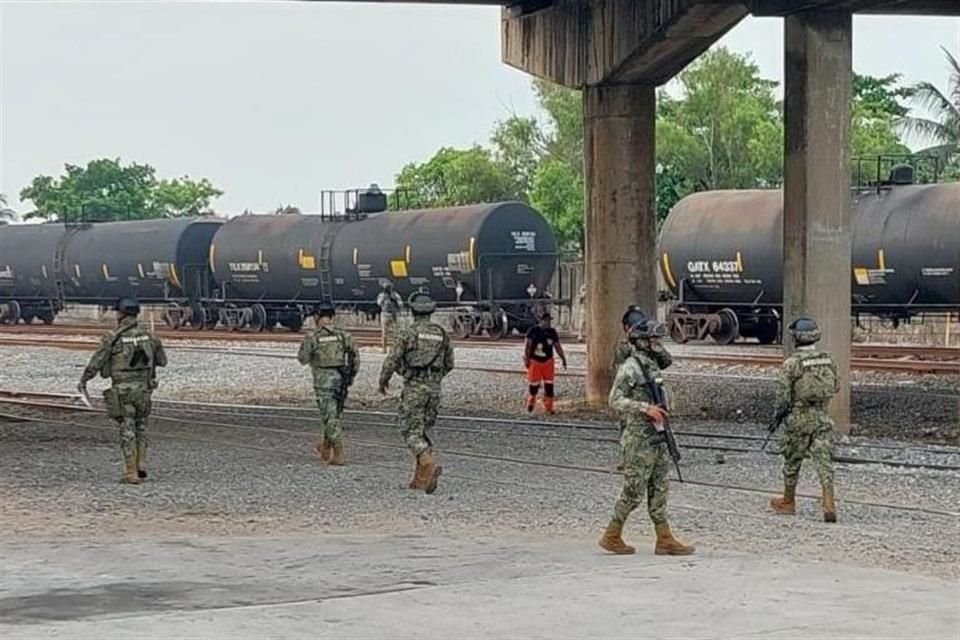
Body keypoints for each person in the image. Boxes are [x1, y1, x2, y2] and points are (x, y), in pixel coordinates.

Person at [599, 318, 694, 556]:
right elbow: (615, 400)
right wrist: (645, 408)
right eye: (652, 339)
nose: (656, 342)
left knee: (660, 486)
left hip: (658, 434)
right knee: (634, 489)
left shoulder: (651, 362)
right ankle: (612, 534)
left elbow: (667, 360)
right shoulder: (631, 366)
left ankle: (664, 538)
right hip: (639, 438)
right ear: (640, 341)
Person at [77, 297, 167, 484]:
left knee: (127, 430)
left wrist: (84, 380)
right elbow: (162, 361)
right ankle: (141, 463)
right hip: (143, 390)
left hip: (122, 391)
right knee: (141, 427)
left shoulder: (112, 337)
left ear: (120, 314)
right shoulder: (150, 335)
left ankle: (130, 472)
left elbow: (97, 362)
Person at [378, 291, 454, 494]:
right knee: (423, 432)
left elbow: (392, 360)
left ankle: (428, 463)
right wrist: (434, 379)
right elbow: (449, 364)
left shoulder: (408, 333)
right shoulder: (441, 333)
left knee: (410, 431)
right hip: (435, 389)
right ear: (431, 311)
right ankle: (421, 479)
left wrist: (383, 381)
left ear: (412, 311)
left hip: (414, 387)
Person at [769, 316, 840, 522]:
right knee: (824, 461)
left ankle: (788, 501)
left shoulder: (792, 363)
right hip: (822, 416)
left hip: (798, 418)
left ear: (796, 338)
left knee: (792, 460)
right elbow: (835, 386)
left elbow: (783, 396)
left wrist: (778, 417)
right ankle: (829, 504)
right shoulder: (828, 359)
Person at [297, 303, 359, 466]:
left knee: (329, 417)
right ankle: (325, 446)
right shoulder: (344, 335)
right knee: (334, 415)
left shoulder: (313, 337)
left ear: (317, 317)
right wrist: (351, 376)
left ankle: (339, 453)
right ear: (333, 317)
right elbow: (355, 357)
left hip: (323, 381)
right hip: (341, 380)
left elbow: (302, 359)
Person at [611, 305, 651, 471]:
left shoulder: (625, 346)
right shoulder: (647, 344)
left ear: (626, 327)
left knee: (627, 426)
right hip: (647, 391)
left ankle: (628, 458)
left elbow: (619, 368)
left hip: (630, 392)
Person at [523, 312, 567, 414]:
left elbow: (557, 346)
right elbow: (527, 345)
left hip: (548, 362)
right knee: (533, 384)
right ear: (541, 321)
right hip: (535, 361)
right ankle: (531, 402)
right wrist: (527, 358)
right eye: (546, 320)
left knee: (549, 385)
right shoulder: (533, 331)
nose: (548, 323)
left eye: (549, 320)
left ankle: (549, 407)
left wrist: (563, 358)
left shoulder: (552, 332)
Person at [376, 282, 403, 353]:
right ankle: (384, 349)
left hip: (393, 314)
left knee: (396, 332)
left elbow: (400, 304)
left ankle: (396, 349)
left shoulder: (395, 295)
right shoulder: (382, 295)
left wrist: (394, 299)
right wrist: (384, 298)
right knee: (384, 333)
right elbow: (379, 303)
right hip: (385, 313)